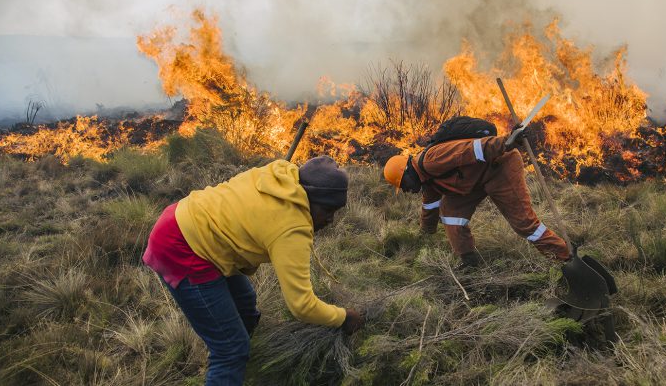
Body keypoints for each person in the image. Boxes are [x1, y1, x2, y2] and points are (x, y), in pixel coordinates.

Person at [142, 155, 365, 385]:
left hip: (187, 218)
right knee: (230, 350)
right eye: (327, 209)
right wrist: (343, 317)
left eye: (336, 211)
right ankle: (229, 369)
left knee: (246, 306)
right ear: (309, 197)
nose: (331, 219)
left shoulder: (281, 176)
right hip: (182, 247)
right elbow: (302, 306)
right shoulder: (291, 228)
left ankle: (246, 372)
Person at [382, 133, 570, 268]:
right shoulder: (428, 181)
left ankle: (565, 257)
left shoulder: (431, 160)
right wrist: (425, 234)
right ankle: (469, 261)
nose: (407, 190)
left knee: (524, 224)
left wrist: (505, 143)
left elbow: (472, 149)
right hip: (476, 181)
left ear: (406, 172)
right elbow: (429, 208)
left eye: (403, 184)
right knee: (450, 212)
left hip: (499, 166)